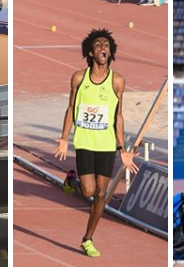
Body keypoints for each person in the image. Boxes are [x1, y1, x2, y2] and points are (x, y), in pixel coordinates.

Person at [55, 28, 138, 258]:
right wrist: (64, 138)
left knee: (102, 194)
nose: (104, 48)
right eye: (99, 45)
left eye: (107, 46)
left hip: (106, 144)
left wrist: (122, 148)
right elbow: (71, 108)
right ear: (91, 52)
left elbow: (118, 116)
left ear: (111, 53)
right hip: (84, 142)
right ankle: (72, 180)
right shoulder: (79, 78)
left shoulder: (118, 81)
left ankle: (87, 239)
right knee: (88, 190)